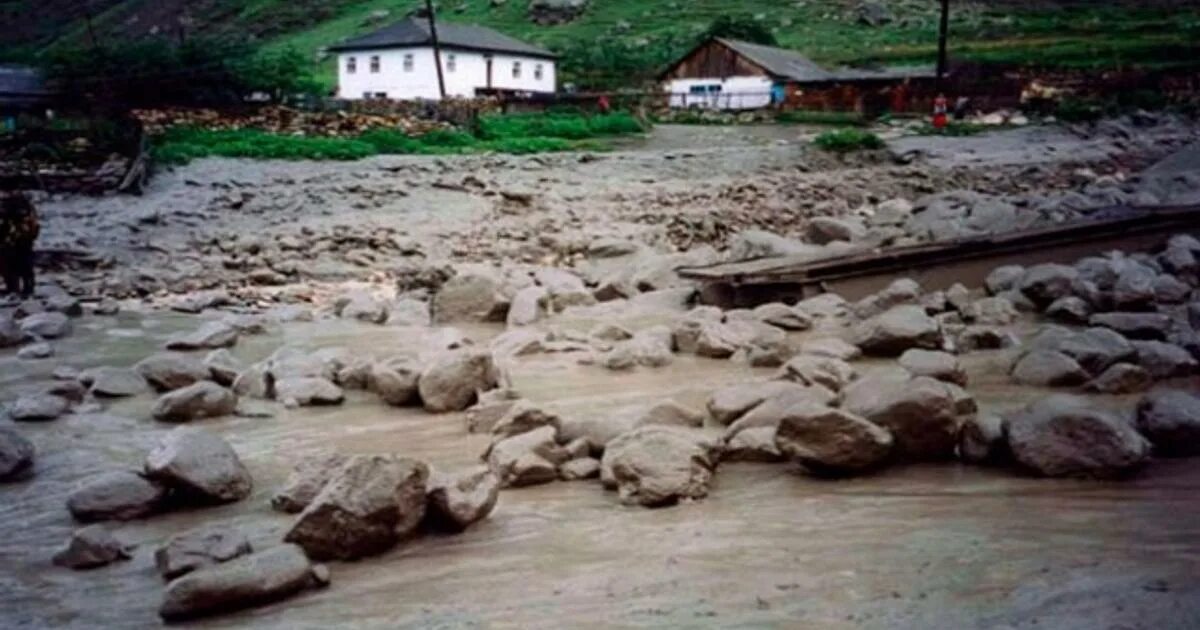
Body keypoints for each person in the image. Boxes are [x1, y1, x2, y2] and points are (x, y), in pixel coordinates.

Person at [0, 191, 39, 298]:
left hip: (18, 242)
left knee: (18, 266)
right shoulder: (25, 206)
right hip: (16, 242)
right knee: (14, 267)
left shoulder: (22, 208)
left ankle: (22, 289)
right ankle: (20, 288)